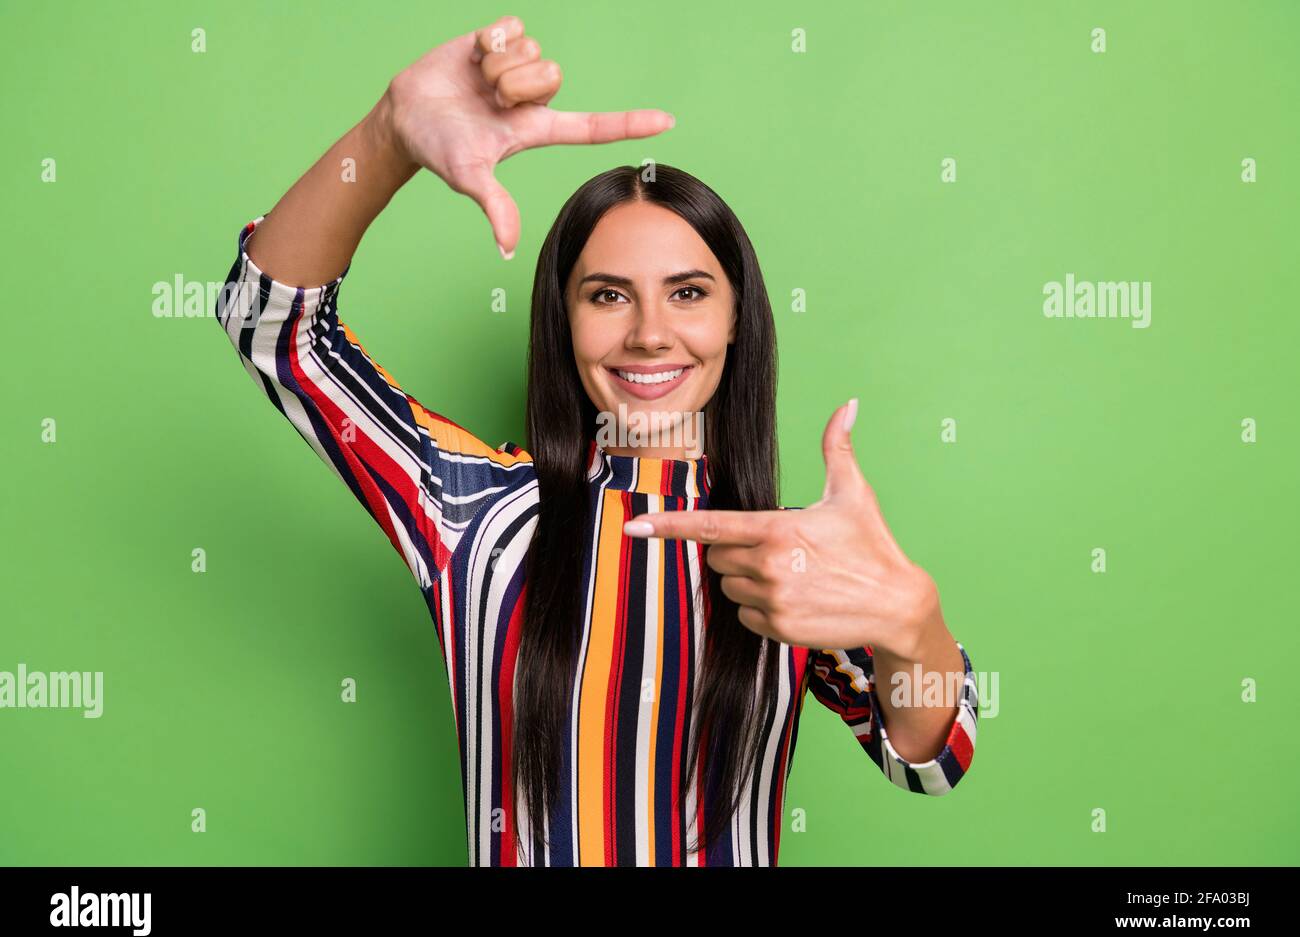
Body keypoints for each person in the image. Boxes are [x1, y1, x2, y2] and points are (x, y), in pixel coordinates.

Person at [215, 15, 978, 867]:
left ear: (737, 322)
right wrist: (387, 134)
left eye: (688, 293)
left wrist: (917, 621)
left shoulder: (788, 558)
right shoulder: (473, 512)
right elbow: (269, 325)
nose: (651, 333)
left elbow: (929, 762)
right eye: (608, 296)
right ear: (562, 321)